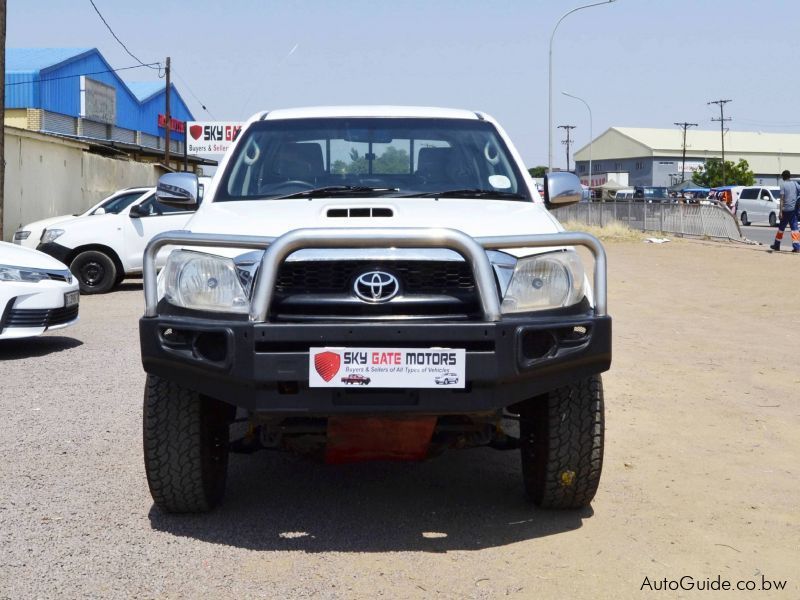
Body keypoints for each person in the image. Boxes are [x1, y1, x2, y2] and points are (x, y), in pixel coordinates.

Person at [770, 170, 800, 252]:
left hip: (785, 210)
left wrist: (780, 212)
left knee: (781, 229)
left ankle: (776, 245)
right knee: (794, 229)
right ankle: (797, 247)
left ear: (783, 177)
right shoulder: (795, 184)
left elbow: (782, 199)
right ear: (789, 176)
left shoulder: (783, 185)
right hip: (793, 210)